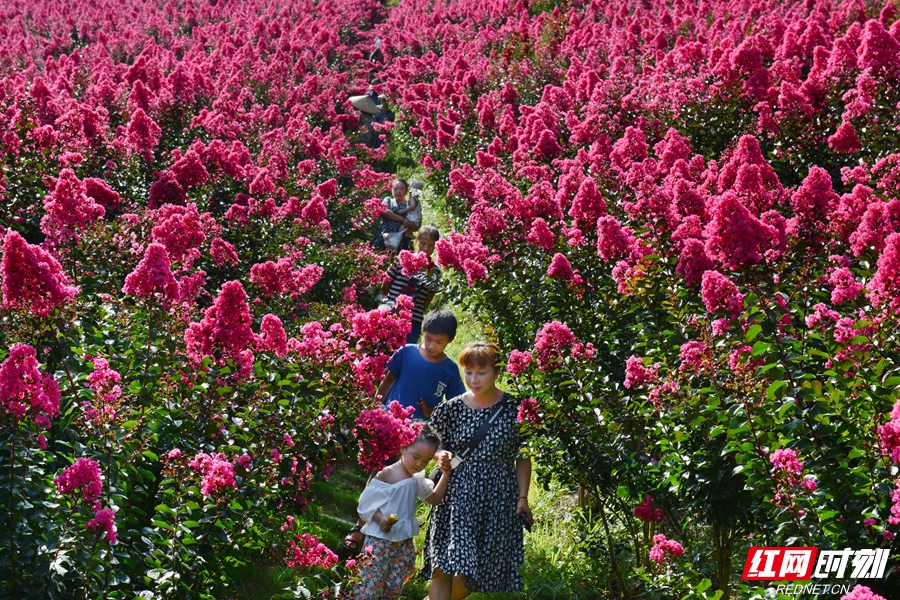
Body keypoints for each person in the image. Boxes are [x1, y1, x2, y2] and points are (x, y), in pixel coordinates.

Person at [343, 310, 466, 551]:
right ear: (423, 333)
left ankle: (390, 535)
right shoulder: (407, 352)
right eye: (428, 339)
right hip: (390, 426)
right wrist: (376, 405)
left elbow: (454, 404)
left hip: (417, 438)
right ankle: (360, 525)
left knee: (406, 480)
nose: (432, 345)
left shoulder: (449, 370)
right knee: (380, 474)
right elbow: (388, 379)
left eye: (439, 342)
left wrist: (432, 411)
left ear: (450, 341)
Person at [422, 341, 532, 600]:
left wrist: (523, 498)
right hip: (455, 495)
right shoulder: (451, 409)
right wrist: (441, 456)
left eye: (481, 373)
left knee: (472, 575)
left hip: (496, 498)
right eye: (468, 371)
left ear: (497, 372)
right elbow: (432, 443)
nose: (473, 379)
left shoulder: (514, 409)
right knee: (443, 567)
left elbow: (523, 456)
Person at [353, 426, 452, 600]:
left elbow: (435, 498)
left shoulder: (417, 478)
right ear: (403, 448)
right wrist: (380, 518)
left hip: (402, 541)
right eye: (416, 457)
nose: (420, 464)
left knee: (393, 584)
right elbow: (365, 504)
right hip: (380, 541)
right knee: (370, 583)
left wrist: (446, 473)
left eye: (426, 461)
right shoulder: (387, 474)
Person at [378, 226, 441, 344]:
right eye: (423, 243)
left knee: (406, 353)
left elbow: (427, 299)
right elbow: (385, 286)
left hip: (413, 320)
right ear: (417, 241)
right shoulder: (401, 259)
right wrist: (395, 303)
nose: (426, 248)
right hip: (390, 310)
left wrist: (414, 311)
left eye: (431, 245)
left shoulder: (434, 272)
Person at [370, 179, 416, 251]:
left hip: (402, 241)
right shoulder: (388, 200)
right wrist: (402, 219)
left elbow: (413, 223)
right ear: (392, 190)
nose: (398, 191)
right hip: (384, 236)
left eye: (401, 189)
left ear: (406, 191)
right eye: (395, 189)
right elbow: (384, 211)